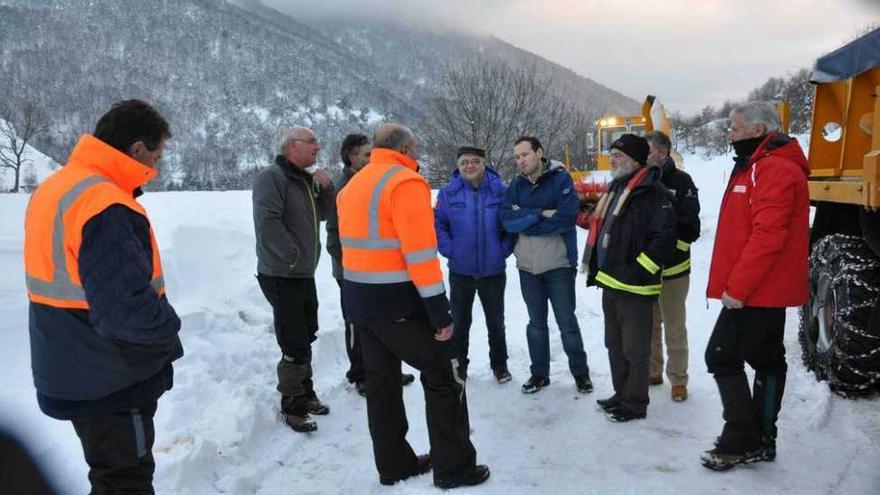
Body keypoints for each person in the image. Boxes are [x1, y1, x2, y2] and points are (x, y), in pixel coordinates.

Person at [24, 99, 183, 493]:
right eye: (157, 155)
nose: (156, 166)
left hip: (72, 360)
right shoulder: (106, 205)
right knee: (125, 481)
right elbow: (125, 311)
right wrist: (169, 327)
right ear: (137, 150)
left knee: (111, 475)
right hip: (111, 376)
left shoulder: (58, 187)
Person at [337, 123, 489, 489]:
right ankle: (454, 468)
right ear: (405, 148)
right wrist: (440, 312)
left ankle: (394, 465)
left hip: (361, 303)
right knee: (444, 374)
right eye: (416, 149)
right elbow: (420, 255)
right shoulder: (405, 183)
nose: (418, 157)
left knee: (382, 386)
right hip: (399, 302)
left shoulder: (353, 184)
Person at [701, 102, 809, 470]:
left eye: (734, 127)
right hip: (761, 288)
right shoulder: (757, 165)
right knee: (767, 359)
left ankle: (741, 439)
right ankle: (763, 438)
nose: (729, 133)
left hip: (758, 290)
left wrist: (738, 288)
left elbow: (768, 237)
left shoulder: (774, 169)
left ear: (758, 128)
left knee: (720, 355)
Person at [581, 134, 676, 422]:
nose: (612, 159)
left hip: (635, 285)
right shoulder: (615, 188)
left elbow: (664, 239)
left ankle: (635, 403)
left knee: (635, 349)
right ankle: (620, 393)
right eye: (612, 154)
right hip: (611, 282)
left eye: (618, 156)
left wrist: (639, 269)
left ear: (636, 160)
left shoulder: (653, 193)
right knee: (615, 344)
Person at [252, 126, 334, 433]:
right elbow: (267, 222)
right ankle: (293, 405)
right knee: (293, 339)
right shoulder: (271, 178)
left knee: (307, 331)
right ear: (292, 146)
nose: (318, 146)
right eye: (312, 141)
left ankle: (306, 392)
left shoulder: (303, 180)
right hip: (281, 273)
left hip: (302, 273)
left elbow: (324, 214)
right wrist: (294, 255)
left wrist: (325, 187)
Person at [501, 136, 592, 394]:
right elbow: (507, 221)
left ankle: (581, 374)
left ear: (538, 153)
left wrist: (525, 216)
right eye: (516, 157)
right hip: (528, 268)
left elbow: (565, 219)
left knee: (567, 322)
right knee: (536, 325)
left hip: (558, 265)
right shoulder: (516, 186)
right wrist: (539, 213)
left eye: (525, 155)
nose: (520, 161)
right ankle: (539, 375)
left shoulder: (560, 179)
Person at [325, 133, 414, 396]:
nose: (371, 158)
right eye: (366, 155)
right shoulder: (345, 188)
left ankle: (387, 370)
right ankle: (360, 374)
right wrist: (352, 266)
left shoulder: (374, 180)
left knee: (383, 322)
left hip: (376, 271)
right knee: (356, 323)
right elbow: (334, 236)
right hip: (352, 273)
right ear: (351, 158)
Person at [435, 146, 515, 383]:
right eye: (464, 162)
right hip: (461, 271)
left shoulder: (501, 191)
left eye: (475, 161)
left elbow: (510, 226)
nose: (469, 166)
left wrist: (502, 252)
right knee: (460, 323)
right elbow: (439, 224)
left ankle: (500, 365)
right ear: (458, 166)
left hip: (493, 271)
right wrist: (451, 251)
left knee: (496, 322)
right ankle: (460, 365)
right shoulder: (448, 193)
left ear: (484, 163)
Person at [645, 130, 701, 402]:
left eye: (648, 151)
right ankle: (653, 371)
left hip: (674, 271)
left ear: (663, 153)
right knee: (650, 324)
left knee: (674, 326)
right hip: (646, 270)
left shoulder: (682, 181)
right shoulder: (640, 181)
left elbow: (691, 226)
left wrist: (667, 250)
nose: (644, 157)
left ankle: (678, 379)